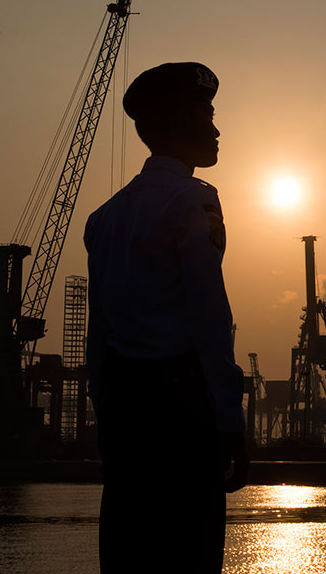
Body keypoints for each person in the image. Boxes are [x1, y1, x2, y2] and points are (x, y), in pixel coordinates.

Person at [84, 62, 248, 573]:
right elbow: (209, 318)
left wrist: (107, 418)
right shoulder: (195, 202)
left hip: (127, 413)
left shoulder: (105, 216)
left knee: (128, 558)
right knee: (189, 558)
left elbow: (99, 335)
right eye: (208, 114)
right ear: (181, 119)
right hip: (183, 410)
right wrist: (230, 421)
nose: (217, 129)